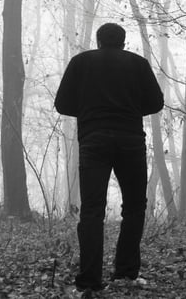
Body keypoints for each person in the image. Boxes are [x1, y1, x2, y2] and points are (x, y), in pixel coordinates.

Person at [55, 23, 164, 293]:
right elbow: (156, 103)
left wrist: (88, 107)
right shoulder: (138, 64)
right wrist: (130, 106)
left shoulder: (81, 62)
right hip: (130, 141)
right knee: (135, 208)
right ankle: (126, 274)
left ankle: (89, 282)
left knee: (92, 211)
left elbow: (62, 104)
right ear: (124, 42)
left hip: (94, 140)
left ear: (98, 41)